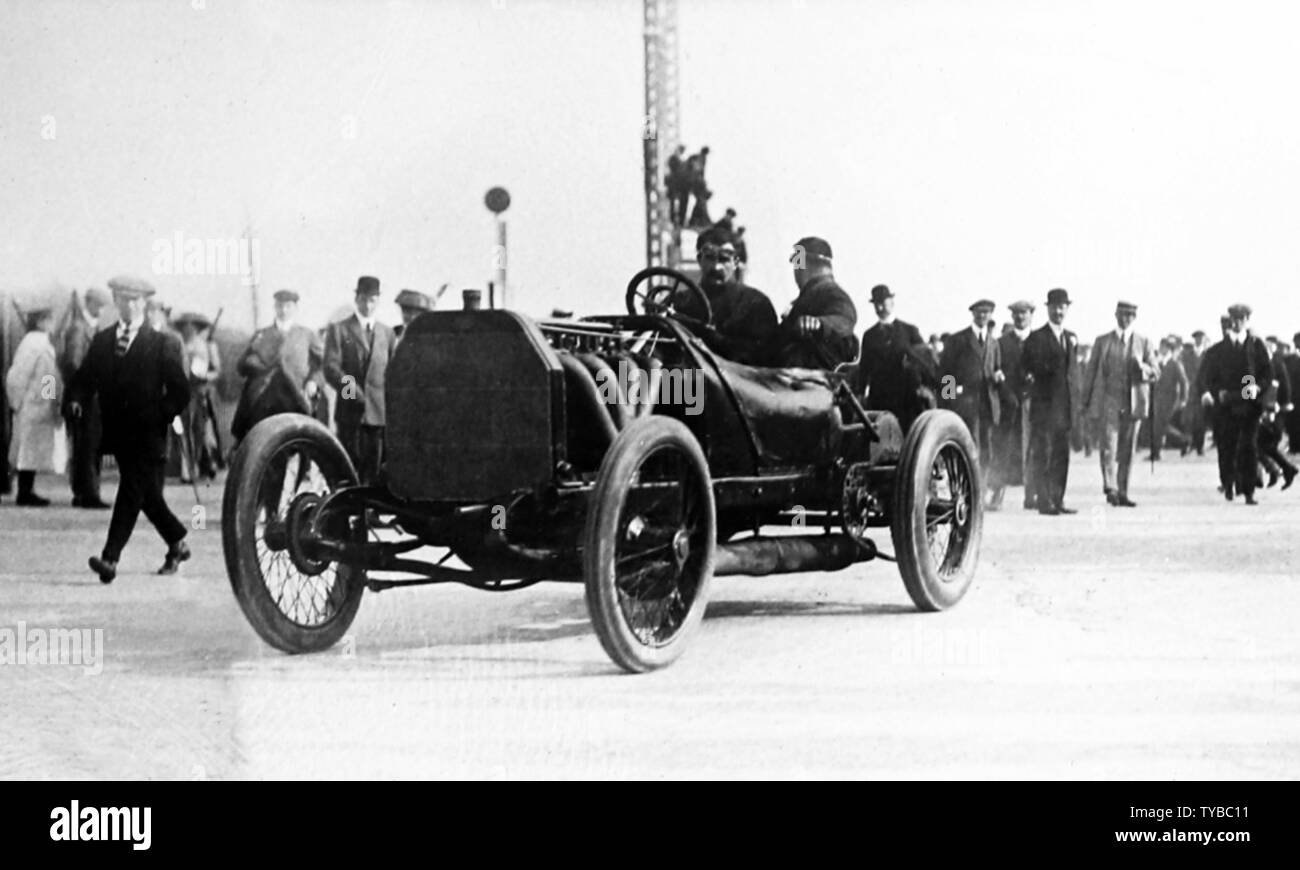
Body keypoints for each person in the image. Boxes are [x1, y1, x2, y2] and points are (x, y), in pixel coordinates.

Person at [67, 276, 191, 581]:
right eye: (123, 299)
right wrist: (74, 399)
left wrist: (160, 415)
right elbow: (84, 377)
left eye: (135, 300)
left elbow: (180, 391)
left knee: (130, 490)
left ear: (144, 304)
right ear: (116, 302)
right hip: (118, 433)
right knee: (146, 495)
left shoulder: (162, 343)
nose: (129, 305)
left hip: (148, 434)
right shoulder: (103, 340)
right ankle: (177, 542)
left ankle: (110, 559)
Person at [1081, 301, 1158, 507]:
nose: (1125, 319)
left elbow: (1156, 371)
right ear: (1115, 315)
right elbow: (1090, 373)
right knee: (1108, 445)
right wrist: (1085, 402)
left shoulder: (1144, 342)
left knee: (1127, 448)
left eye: (1130, 315)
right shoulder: (1102, 341)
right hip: (1109, 400)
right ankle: (1111, 486)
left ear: (1135, 317)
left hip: (1133, 403)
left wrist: (1143, 368)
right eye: (1122, 314)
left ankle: (1123, 491)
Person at [1198, 304, 1272, 504]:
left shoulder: (1256, 347)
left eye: (1242, 319)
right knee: (1226, 446)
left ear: (1247, 321)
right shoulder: (1217, 350)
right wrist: (1210, 393)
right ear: (1230, 321)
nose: (1238, 323)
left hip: (1250, 405)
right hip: (1225, 406)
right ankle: (1228, 483)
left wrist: (1258, 388)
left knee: (1248, 447)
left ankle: (1248, 491)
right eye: (1235, 319)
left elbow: (1267, 373)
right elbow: (1205, 376)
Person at [324, 276, 395, 485]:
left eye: (373, 300)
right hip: (350, 414)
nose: (368, 305)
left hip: (378, 415)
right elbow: (331, 367)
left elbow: (394, 371)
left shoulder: (387, 333)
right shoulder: (339, 329)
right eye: (364, 299)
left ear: (378, 302)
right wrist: (351, 391)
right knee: (348, 469)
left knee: (373, 472)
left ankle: (368, 516)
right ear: (356, 299)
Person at [672, 227, 778, 366]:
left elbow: (764, 360)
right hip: (683, 383)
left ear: (735, 262)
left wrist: (714, 338)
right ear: (699, 259)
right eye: (710, 257)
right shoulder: (680, 302)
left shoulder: (756, 304)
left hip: (733, 384)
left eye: (724, 259)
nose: (716, 267)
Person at [234, 289, 327, 440]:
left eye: (288, 306)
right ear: (275, 307)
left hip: (295, 398)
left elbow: (323, 365)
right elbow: (241, 366)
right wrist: (253, 363)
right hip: (262, 399)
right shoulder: (262, 334)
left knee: (297, 439)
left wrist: (313, 382)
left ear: (295, 308)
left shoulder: (306, 335)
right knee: (261, 442)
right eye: (280, 306)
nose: (283, 310)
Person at [1021, 288, 1080, 516]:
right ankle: (1044, 501)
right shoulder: (1037, 338)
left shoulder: (1069, 338)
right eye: (1055, 307)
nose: (1058, 311)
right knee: (1043, 455)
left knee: (1060, 457)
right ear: (1047, 308)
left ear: (1067, 309)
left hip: (1064, 409)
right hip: (1044, 409)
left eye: (1062, 307)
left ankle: (1058, 498)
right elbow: (1029, 367)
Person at [844, 284, 929, 431]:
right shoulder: (869, 335)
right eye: (876, 304)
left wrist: (925, 387)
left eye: (883, 303)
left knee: (908, 437)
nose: (880, 308)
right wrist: (860, 393)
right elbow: (864, 368)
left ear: (892, 302)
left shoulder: (909, 331)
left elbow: (923, 361)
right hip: (880, 397)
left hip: (906, 397)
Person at [5, 309, 63, 507]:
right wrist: (51, 401)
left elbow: (21, 376)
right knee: (29, 451)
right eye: (50, 320)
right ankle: (24, 492)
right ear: (41, 322)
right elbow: (44, 376)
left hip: (31, 403)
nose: (53, 324)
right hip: (35, 404)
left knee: (28, 450)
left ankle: (25, 489)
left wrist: (17, 400)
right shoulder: (39, 345)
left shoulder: (31, 344)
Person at [59, 286, 110, 508]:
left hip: (84, 395)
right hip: (84, 396)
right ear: (89, 303)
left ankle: (83, 492)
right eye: (98, 305)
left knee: (83, 446)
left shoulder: (87, 327)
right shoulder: (81, 329)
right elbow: (72, 363)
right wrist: (80, 392)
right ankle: (89, 494)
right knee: (88, 446)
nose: (100, 309)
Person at [939, 299, 1005, 467]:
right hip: (966, 404)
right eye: (979, 312)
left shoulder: (994, 343)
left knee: (987, 449)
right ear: (973, 314)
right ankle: (972, 485)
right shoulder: (958, 340)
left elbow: (996, 368)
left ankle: (982, 486)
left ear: (990, 315)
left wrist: (998, 377)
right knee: (970, 446)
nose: (983, 316)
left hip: (989, 405)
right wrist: (950, 402)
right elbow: (946, 373)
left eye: (986, 312)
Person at [776, 236, 858, 369]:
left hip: (807, 378)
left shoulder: (830, 291)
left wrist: (820, 324)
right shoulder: (809, 296)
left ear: (803, 265)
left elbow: (845, 317)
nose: (795, 270)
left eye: (797, 263)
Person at [988, 300, 1035, 511]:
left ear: (1031, 315)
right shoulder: (1001, 343)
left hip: (1032, 403)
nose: (1020, 317)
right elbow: (996, 371)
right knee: (1003, 449)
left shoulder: (1039, 340)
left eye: (1024, 313)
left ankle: (1031, 495)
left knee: (1032, 448)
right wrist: (1006, 392)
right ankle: (997, 495)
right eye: (1016, 314)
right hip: (1008, 404)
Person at [174, 311, 224, 481]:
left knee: (201, 432)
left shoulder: (208, 345)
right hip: (182, 391)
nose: (188, 330)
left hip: (201, 392)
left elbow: (216, 371)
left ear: (196, 328)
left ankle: (202, 465)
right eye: (185, 327)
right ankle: (187, 470)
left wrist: (204, 377)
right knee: (184, 430)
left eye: (191, 326)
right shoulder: (178, 344)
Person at [1149, 337, 1190, 460]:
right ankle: (1157, 453)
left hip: (1171, 399)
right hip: (1158, 399)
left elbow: (1184, 382)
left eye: (1164, 346)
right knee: (1158, 426)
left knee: (1164, 425)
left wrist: (1183, 399)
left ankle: (1184, 440)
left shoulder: (1175, 363)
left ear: (1168, 349)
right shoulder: (1157, 362)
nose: (1161, 348)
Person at [1179, 331, 1209, 455]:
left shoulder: (1208, 354)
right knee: (1188, 421)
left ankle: (1200, 447)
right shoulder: (1187, 354)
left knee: (1201, 421)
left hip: (1202, 391)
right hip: (1190, 391)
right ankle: (1186, 445)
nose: (1199, 340)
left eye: (1201, 338)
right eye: (1197, 338)